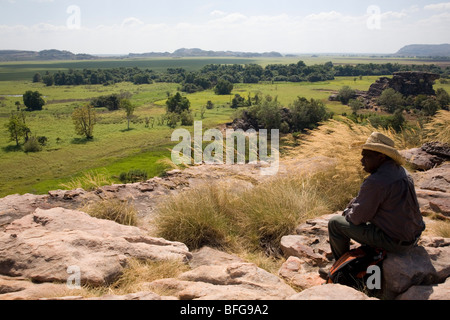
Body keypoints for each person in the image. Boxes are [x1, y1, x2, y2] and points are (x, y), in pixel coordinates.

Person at [328, 132, 426, 261]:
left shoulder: (376, 181)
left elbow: (357, 218)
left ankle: (340, 266)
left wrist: (348, 211)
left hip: (395, 243)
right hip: (413, 236)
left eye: (366, 157)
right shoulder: (402, 171)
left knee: (335, 223)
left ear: (380, 157)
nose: (361, 161)